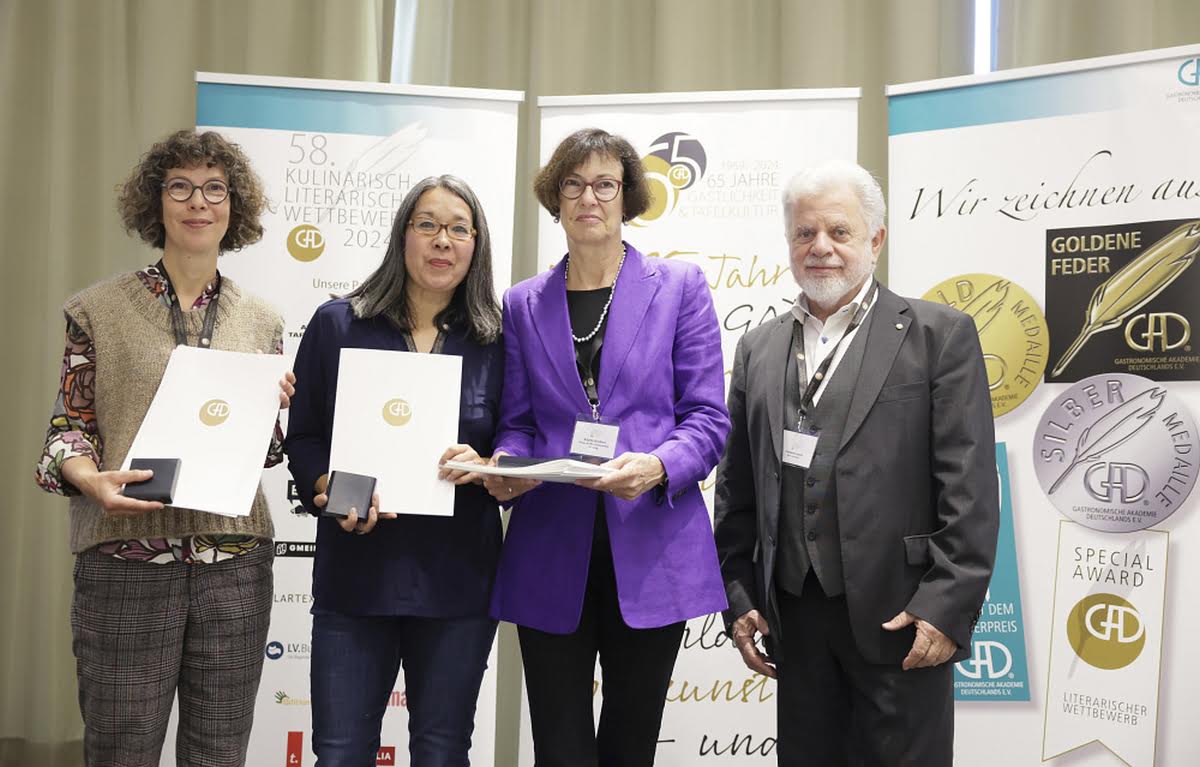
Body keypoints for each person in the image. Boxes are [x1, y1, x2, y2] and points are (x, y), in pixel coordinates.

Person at [713, 160, 999, 766]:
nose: (820, 247)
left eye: (839, 231)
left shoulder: (939, 335)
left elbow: (969, 488)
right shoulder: (758, 348)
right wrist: (739, 596)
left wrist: (944, 608)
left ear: (876, 239)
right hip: (793, 621)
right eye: (805, 233)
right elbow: (737, 491)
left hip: (903, 619)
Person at [35, 129, 294, 766]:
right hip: (125, 563)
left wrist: (275, 406)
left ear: (234, 206)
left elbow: (264, 454)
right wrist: (89, 479)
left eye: (214, 188)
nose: (198, 201)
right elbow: (68, 427)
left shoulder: (263, 319)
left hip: (234, 567)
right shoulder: (97, 310)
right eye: (180, 187)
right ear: (156, 202)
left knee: (218, 755)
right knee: (121, 751)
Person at [484, 128, 729, 767]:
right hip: (549, 546)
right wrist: (509, 464)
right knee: (559, 748)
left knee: (630, 746)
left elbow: (708, 419)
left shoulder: (679, 287)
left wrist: (658, 465)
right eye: (573, 184)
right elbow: (516, 421)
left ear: (628, 197)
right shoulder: (522, 303)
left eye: (604, 184)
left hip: (651, 546)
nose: (588, 197)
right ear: (555, 198)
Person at [284, 175, 504, 767]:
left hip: (459, 581)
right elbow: (305, 437)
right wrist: (329, 489)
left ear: (476, 244)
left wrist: (488, 465)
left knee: (442, 752)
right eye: (427, 224)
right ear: (402, 234)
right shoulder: (337, 324)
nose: (442, 240)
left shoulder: (497, 338)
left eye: (459, 229)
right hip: (357, 574)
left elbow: (517, 436)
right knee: (340, 753)